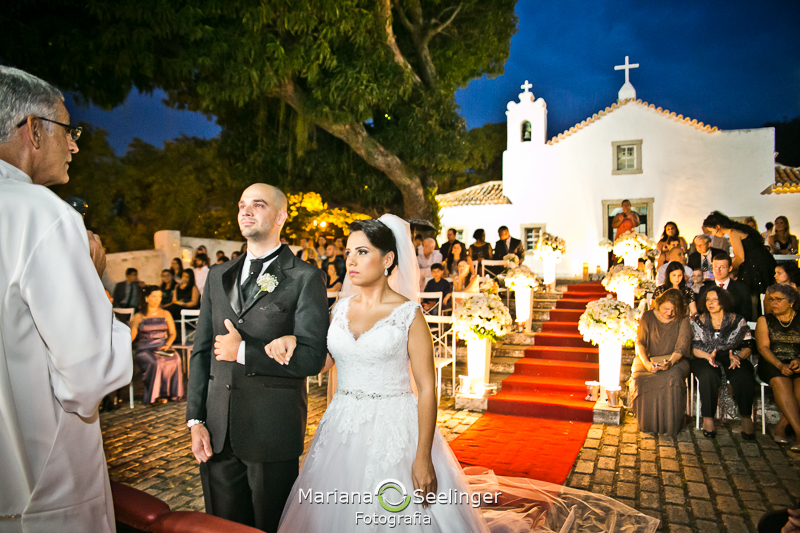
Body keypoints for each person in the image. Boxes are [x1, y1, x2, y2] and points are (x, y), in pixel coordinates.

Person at [278, 216, 527, 532]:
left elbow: (426, 388)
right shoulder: (338, 310)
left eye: (362, 252)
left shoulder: (409, 315)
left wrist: (423, 457)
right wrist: (291, 344)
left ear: (388, 259)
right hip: (342, 425)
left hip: (394, 427)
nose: (351, 260)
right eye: (349, 252)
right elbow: (327, 363)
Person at [0, 65, 132, 531]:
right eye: (68, 129)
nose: (75, 144)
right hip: (38, 489)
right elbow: (89, 377)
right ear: (33, 130)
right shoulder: (42, 214)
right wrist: (93, 279)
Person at [186, 183, 328, 532]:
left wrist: (244, 352)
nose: (245, 211)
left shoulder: (305, 278)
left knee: (270, 525)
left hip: (271, 432)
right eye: (241, 205)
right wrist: (196, 420)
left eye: (258, 205)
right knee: (222, 526)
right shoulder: (218, 276)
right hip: (218, 433)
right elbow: (202, 350)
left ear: (281, 216)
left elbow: (312, 358)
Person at [690, 287, 755, 439]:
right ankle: (708, 419)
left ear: (723, 301)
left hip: (733, 355)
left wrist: (739, 357)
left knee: (743, 374)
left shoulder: (737, 320)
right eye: (707, 300)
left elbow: (748, 346)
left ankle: (746, 419)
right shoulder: (699, 321)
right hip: (705, 356)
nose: (710, 303)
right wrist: (708, 357)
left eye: (714, 299)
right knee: (707, 375)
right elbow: (694, 348)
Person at [630, 289, 692, 436]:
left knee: (672, 378)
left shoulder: (682, 320)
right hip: (648, 357)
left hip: (675, 359)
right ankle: (647, 423)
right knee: (640, 378)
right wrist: (646, 363)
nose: (669, 313)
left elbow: (681, 347)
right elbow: (640, 343)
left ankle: (670, 424)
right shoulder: (648, 316)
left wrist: (670, 363)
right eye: (666, 309)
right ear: (659, 304)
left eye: (673, 310)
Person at [703, 210, 777, 317]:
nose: (713, 234)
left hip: (755, 266)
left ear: (718, 227)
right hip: (763, 261)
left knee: (753, 295)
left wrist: (729, 269)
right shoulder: (739, 228)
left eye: (711, 231)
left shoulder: (733, 233)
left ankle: (755, 320)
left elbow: (740, 258)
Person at [755, 284, 800, 450]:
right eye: (771, 299)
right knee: (781, 381)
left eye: (778, 300)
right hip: (772, 362)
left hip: (797, 361)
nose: (773, 303)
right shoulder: (765, 320)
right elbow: (763, 348)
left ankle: (781, 426)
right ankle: (799, 434)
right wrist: (780, 365)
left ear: (791, 302)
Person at [131, 285, 183, 405]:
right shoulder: (139, 316)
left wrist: (167, 345)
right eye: (154, 296)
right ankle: (156, 395)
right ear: (146, 298)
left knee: (176, 358)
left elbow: (173, 333)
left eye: (159, 296)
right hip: (145, 349)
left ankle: (170, 394)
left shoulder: (166, 313)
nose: (157, 300)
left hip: (162, 347)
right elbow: (132, 335)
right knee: (156, 362)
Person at [700, 254, 753, 322]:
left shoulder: (742, 289)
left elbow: (747, 315)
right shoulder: (704, 289)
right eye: (715, 267)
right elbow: (701, 314)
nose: (718, 270)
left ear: (730, 268)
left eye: (722, 267)